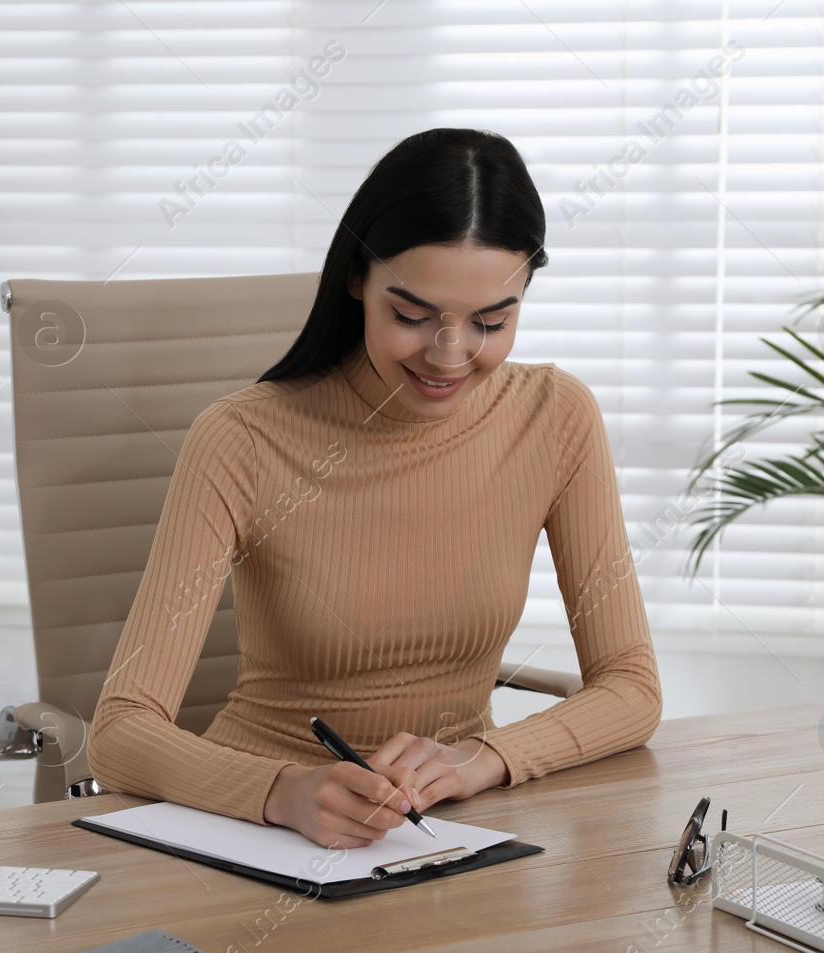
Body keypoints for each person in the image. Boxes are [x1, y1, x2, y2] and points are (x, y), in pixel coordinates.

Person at [86, 127, 661, 849]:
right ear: (357, 278)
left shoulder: (555, 417)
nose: (450, 355)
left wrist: (483, 759)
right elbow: (120, 731)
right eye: (412, 317)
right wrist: (281, 792)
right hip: (259, 834)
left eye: (491, 321)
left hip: (447, 832)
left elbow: (632, 686)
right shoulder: (239, 440)